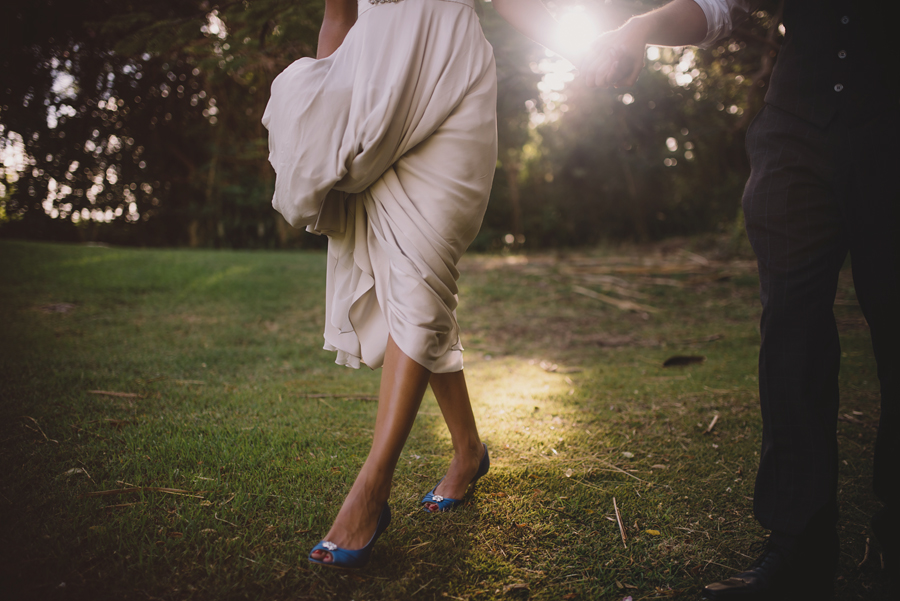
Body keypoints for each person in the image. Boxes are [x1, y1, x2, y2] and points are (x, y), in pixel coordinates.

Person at [583, 0, 899, 598]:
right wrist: (639, 27)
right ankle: (799, 548)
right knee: (790, 328)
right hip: (796, 133)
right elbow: (720, 8)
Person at [262, 0, 577, 569]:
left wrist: (582, 48)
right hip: (377, 97)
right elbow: (339, 14)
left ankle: (371, 489)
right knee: (409, 281)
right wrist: (327, 108)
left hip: (450, 81)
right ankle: (468, 451)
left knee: (422, 273)